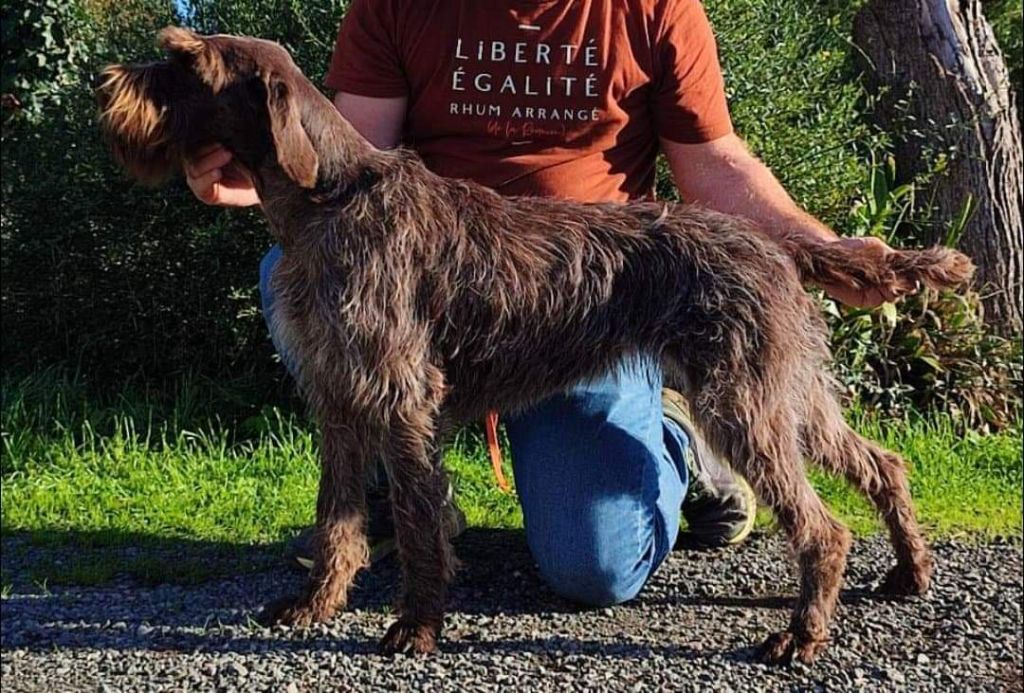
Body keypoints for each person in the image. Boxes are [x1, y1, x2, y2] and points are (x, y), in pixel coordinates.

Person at [184, 0, 911, 607]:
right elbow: (349, 162)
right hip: (430, 278)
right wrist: (250, 177)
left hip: (598, 300)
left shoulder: (654, 6)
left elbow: (715, 164)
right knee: (297, 269)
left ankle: (680, 438)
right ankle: (384, 490)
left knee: (595, 570)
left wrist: (825, 251)